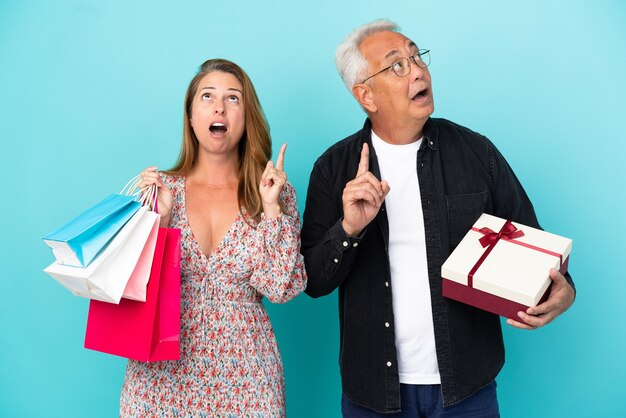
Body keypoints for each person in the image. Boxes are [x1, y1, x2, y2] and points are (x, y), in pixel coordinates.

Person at [301, 20, 575, 417]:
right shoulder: (333, 168)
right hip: (374, 394)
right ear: (366, 95)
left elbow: (532, 242)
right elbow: (312, 281)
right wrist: (350, 229)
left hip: (467, 388)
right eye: (396, 65)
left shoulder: (477, 153)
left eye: (417, 57)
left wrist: (563, 287)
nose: (417, 71)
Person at [120, 58, 307, 417]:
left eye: (233, 98)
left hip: (247, 376)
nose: (219, 106)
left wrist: (271, 210)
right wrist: (160, 222)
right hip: (159, 373)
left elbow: (281, 288)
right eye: (207, 96)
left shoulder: (273, 191)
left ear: (246, 115)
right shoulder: (159, 190)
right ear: (190, 117)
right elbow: (134, 290)